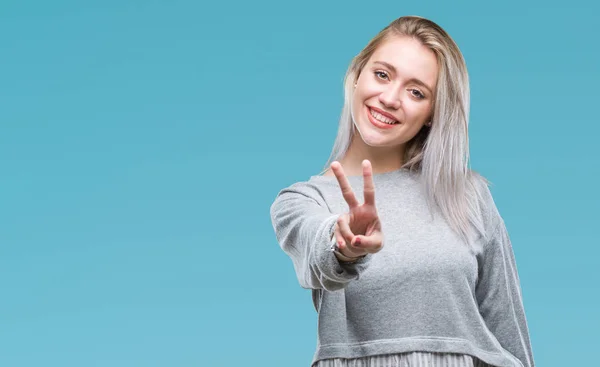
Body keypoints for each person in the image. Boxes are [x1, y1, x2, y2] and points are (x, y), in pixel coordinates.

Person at [269, 15, 535, 367]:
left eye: (416, 92)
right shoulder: (303, 200)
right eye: (382, 74)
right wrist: (344, 245)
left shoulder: (467, 196)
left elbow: (507, 328)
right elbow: (319, 253)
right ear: (356, 75)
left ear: (431, 113)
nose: (390, 98)